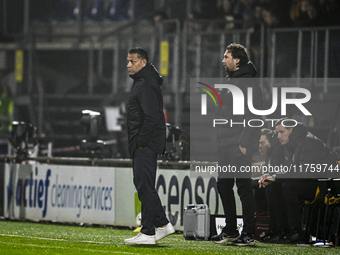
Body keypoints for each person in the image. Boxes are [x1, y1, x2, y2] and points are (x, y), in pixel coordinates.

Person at [211, 43, 263, 246]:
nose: (223, 60)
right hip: (225, 142)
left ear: (237, 60)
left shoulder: (248, 83)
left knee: (243, 187)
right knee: (224, 185)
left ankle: (249, 233)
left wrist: (244, 144)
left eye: (227, 57)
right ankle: (231, 230)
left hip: (238, 144)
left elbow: (254, 116)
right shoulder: (228, 82)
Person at [123, 47, 174, 245]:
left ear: (143, 62)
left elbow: (152, 117)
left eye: (133, 61)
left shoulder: (145, 84)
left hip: (145, 143)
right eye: (128, 61)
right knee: (143, 185)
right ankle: (162, 225)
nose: (128, 64)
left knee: (145, 185)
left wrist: (141, 141)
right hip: (144, 142)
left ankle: (148, 232)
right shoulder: (144, 82)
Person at [260, 118, 339, 243]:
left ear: (291, 130)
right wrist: (271, 176)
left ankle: (296, 232)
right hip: (310, 181)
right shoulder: (292, 144)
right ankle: (280, 232)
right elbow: (291, 171)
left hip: (324, 185)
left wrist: (275, 177)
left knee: (288, 186)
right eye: (277, 133)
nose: (279, 136)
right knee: (272, 186)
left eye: (282, 132)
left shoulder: (308, 142)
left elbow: (304, 172)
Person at [258, 128, 288, 243]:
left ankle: (279, 231)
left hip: (284, 185)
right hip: (278, 183)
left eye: (262, 143)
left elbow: (279, 173)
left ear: (270, 141)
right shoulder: (270, 153)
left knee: (272, 188)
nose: (260, 146)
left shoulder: (278, 151)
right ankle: (271, 230)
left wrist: (267, 178)